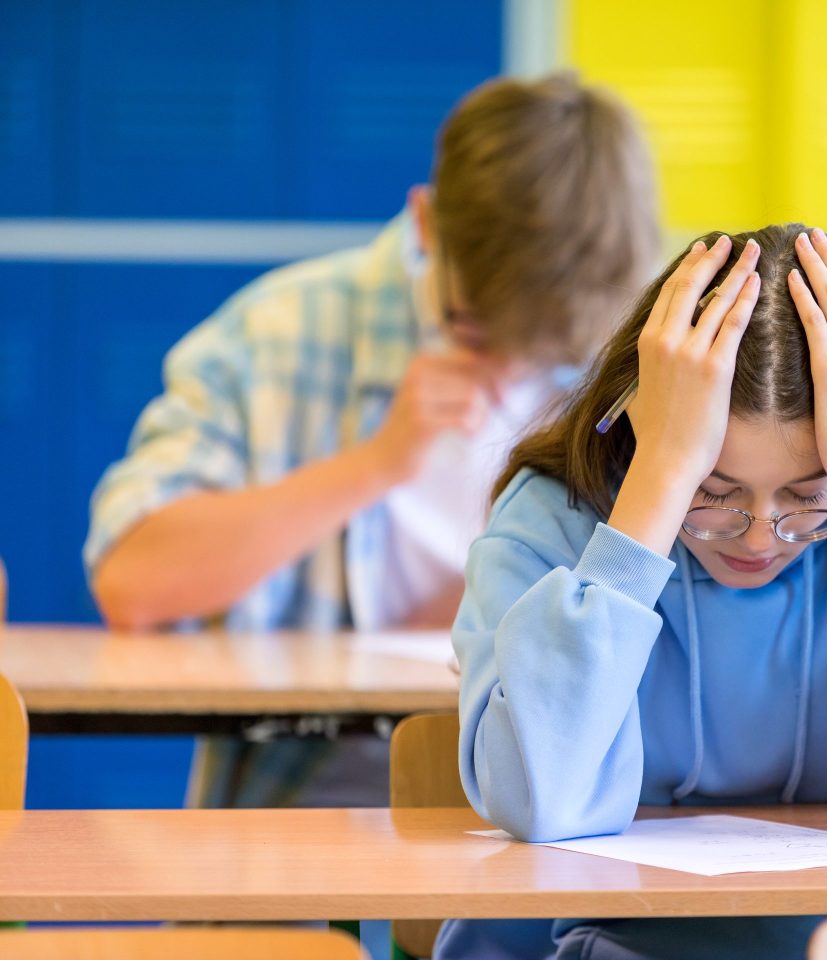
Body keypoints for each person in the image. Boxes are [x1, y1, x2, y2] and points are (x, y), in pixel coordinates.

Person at [435, 224, 827, 959]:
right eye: (714, 489)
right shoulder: (552, 520)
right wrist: (657, 487)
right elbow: (538, 800)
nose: (761, 537)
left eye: (805, 494)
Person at [83, 71, 659, 807]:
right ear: (424, 226)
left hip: (560, 803)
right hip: (312, 799)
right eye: (480, 330)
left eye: (546, 357)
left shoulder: (625, 358)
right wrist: (375, 465)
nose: (509, 373)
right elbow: (130, 582)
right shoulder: (277, 334)